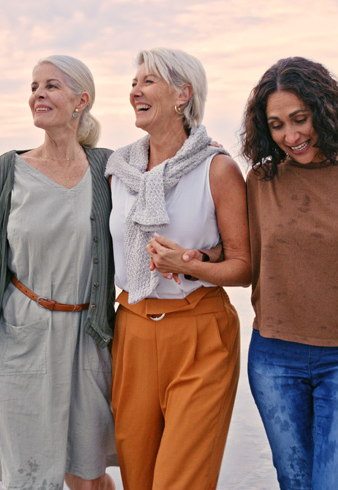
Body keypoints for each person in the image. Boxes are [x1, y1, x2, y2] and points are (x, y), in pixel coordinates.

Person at [0, 55, 117, 490]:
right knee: (29, 480)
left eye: (50, 86)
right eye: (33, 87)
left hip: (89, 343)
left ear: (80, 100)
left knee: (87, 476)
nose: (37, 95)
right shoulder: (6, 172)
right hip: (19, 341)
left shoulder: (109, 169)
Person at [240, 57, 338, 490]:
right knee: (294, 482)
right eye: (276, 125)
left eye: (299, 119)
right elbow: (244, 263)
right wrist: (188, 260)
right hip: (273, 357)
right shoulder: (261, 181)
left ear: (324, 111)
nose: (290, 136)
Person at [105, 47, 250, 490]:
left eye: (148, 81)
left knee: (180, 481)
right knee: (139, 479)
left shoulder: (218, 168)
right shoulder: (117, 169)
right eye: (134, 82)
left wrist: (189, 264)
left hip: (199, 335)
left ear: (182, 94)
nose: (135, 91)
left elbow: (245, 267)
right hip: (130, 330)